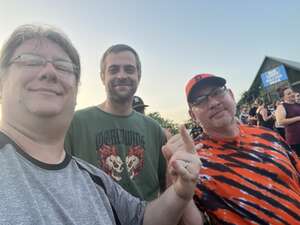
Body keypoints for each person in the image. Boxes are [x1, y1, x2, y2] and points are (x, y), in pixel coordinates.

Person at [0, 24, 201, 225]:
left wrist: (180, 191)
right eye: (31, 61)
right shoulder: (76, 123)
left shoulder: (94, 179)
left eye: (63, 66)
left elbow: (143, 216)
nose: (49, 72)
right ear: (102, 76)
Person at [164, 73, 300, 224]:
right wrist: (174, 175)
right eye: (200, 101)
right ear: (192, 116)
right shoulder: (193, 161)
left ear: (231, 95)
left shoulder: (268, 135)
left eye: (217, 92)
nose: (213, 103)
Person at [65, 44, 167, 201]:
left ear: (138, 75)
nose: (121, 75)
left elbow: (166, 186)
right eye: (113, 70)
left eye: (129, 69)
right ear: (102, 76)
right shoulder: (74, 123)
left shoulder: (154, 129)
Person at [276, 86, 300, 157]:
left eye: (292, 92)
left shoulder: (297, 104)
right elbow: (280, 121)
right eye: (288, 94)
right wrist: (298, 118)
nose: (292, 94)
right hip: (295, 140)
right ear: (283, 97)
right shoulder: (281, 107)